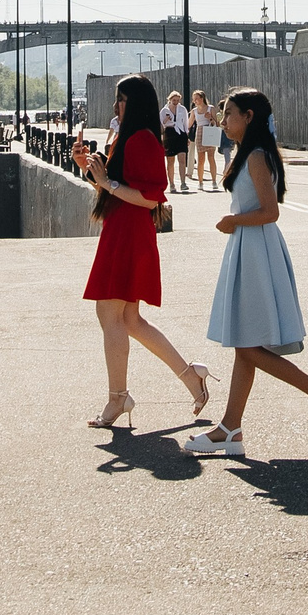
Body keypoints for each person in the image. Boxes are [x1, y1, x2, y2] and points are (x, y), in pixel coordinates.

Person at [183, 89, 308, 457]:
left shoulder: (258, 156)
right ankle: (230, 428)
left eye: (228, 114)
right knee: (245, 343)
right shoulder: (248, 153)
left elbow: (270, 211)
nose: (222, 120)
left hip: (256, 248)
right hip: (250, 247)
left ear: (248, 116)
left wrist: (233, 220)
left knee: (246, 343)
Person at [70, 73, 211, 429]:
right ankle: (190, 376)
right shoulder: (130, 137)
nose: (117, 106)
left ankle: (118, 397)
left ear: (135, 103)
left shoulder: (144, 140)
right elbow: (117, 185)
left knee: (109, 314)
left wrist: (106, 182)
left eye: (122, 100)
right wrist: (88, 168)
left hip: (129, 234)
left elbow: (150, 197)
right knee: (129, 319)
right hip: (122, 230)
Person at [163, 89, 194, 193]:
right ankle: (171, 184)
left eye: (177, 100)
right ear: (170, 99)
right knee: (170, 160)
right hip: (170, 133)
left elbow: (185, 123)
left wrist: (186, 136)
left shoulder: (182, 109)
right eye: (174, 100)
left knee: (182, 158)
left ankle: (183, 182)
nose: (175, 102)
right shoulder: (164, 110)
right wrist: (166, 120)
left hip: (181, 134)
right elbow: (161, 124)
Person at [195, 94, 222, 192]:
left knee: (211, 157)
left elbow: (216, 123)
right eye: (194, 99)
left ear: (202, 99)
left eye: (196, 98)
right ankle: (200, 182)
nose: (195, 101)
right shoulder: (194, 111)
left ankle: (214, 181)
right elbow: (189, 124)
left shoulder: (211, 108)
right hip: (199, 132)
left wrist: (210, 118)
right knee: (201, 159)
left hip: (209, 131)